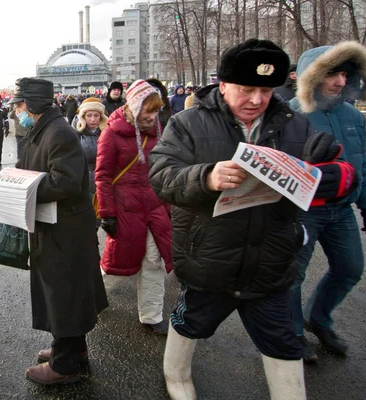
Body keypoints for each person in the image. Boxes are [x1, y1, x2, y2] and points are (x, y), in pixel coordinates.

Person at [148, 39, 347, 399]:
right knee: (191, 321)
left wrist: (331, 176)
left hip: (270, 261)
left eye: (265, 90)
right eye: (246, 89)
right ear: (223, 85)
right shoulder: (188, 123)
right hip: (210, 258)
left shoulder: (295, 126)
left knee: (283, 341)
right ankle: (176, 376)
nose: (256, 99)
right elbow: (161, 175)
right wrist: (207, 177)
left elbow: (342, 173)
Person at [8, 77, 108, 385]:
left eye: (19, 105)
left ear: (33, 104)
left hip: (65, 231)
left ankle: (66, 367)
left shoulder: (59, 132)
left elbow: (63, 181)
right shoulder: (41, 129)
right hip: (53, 227)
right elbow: (28, 169)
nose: (16, 111)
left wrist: (23, 187)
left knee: (65, 296)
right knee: (63, 295)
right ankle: (71, 351)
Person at [287, 41, 366, 361]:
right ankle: (293, 333)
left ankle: (319, 318)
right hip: (305, 211)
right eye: (331, 73)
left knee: (350, 268)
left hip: (342, 211)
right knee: (292, 276)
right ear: (312, 76)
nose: (339, 82)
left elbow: (361, 165)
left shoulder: (353, 116)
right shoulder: (292, 116)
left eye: (344, 73)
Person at [95, 79, 173, 335]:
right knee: (115, 265)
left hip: (153, 205)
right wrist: (107, 213)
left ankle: (151, 315)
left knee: (154, 261)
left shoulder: (158, 130)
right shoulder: (112, 133)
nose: (153, 116)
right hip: (124, 209)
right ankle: (91, 298)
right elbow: (103, 176)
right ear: (135, 106)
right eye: (149, 110)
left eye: (156, 111)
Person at [76, 97, 107, 210]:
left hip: (103, 180)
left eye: (96, 115)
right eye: (89, 115)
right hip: (82, 179)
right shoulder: (76, 134)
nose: (93, 119)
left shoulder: (107, 134)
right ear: (83, 117)